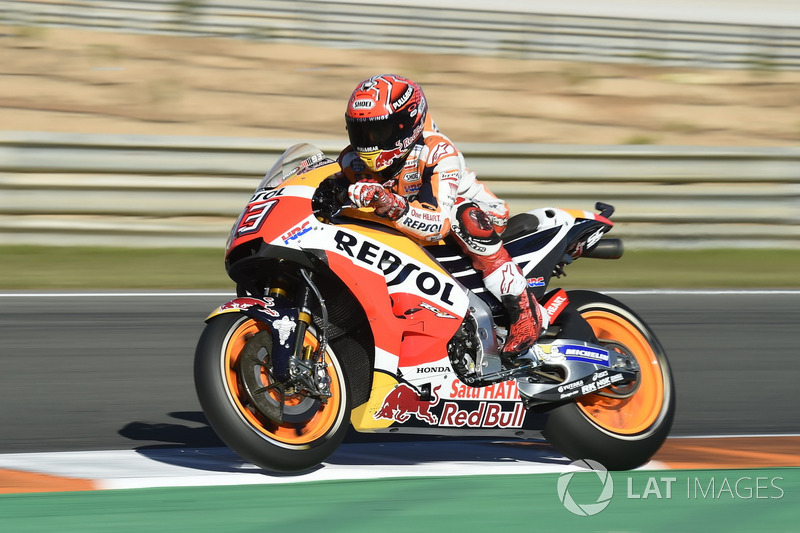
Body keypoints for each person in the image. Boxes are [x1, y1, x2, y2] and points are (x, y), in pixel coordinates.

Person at [334, 73, 547, 361]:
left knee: (464, 214)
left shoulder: (437, 151)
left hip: (477, 217)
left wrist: (391, 204)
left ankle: (523, 309)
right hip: (410, 226)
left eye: (378, 132)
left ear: (405, 125)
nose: (368, 142)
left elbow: (438, 225)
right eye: (360, 132)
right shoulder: (350, 160)